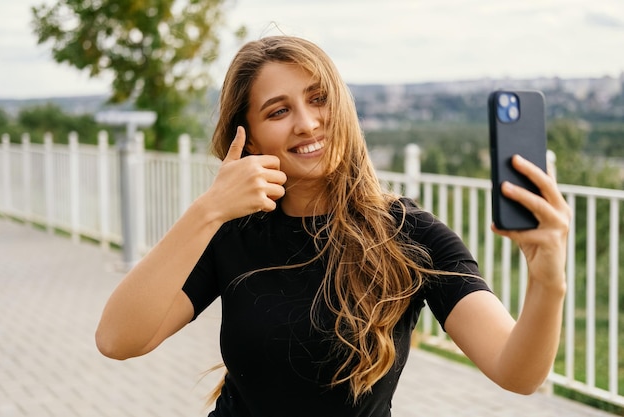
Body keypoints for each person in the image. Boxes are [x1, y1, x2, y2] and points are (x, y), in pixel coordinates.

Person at [95, 36, 571, 417]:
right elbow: (117, 340)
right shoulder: (231, 234)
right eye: (278, 111)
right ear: (248, 132)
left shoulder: (408, 233)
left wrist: (547, 279)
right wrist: (208, 211)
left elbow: (518, 373)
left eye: (318, 99)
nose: (307, 123)